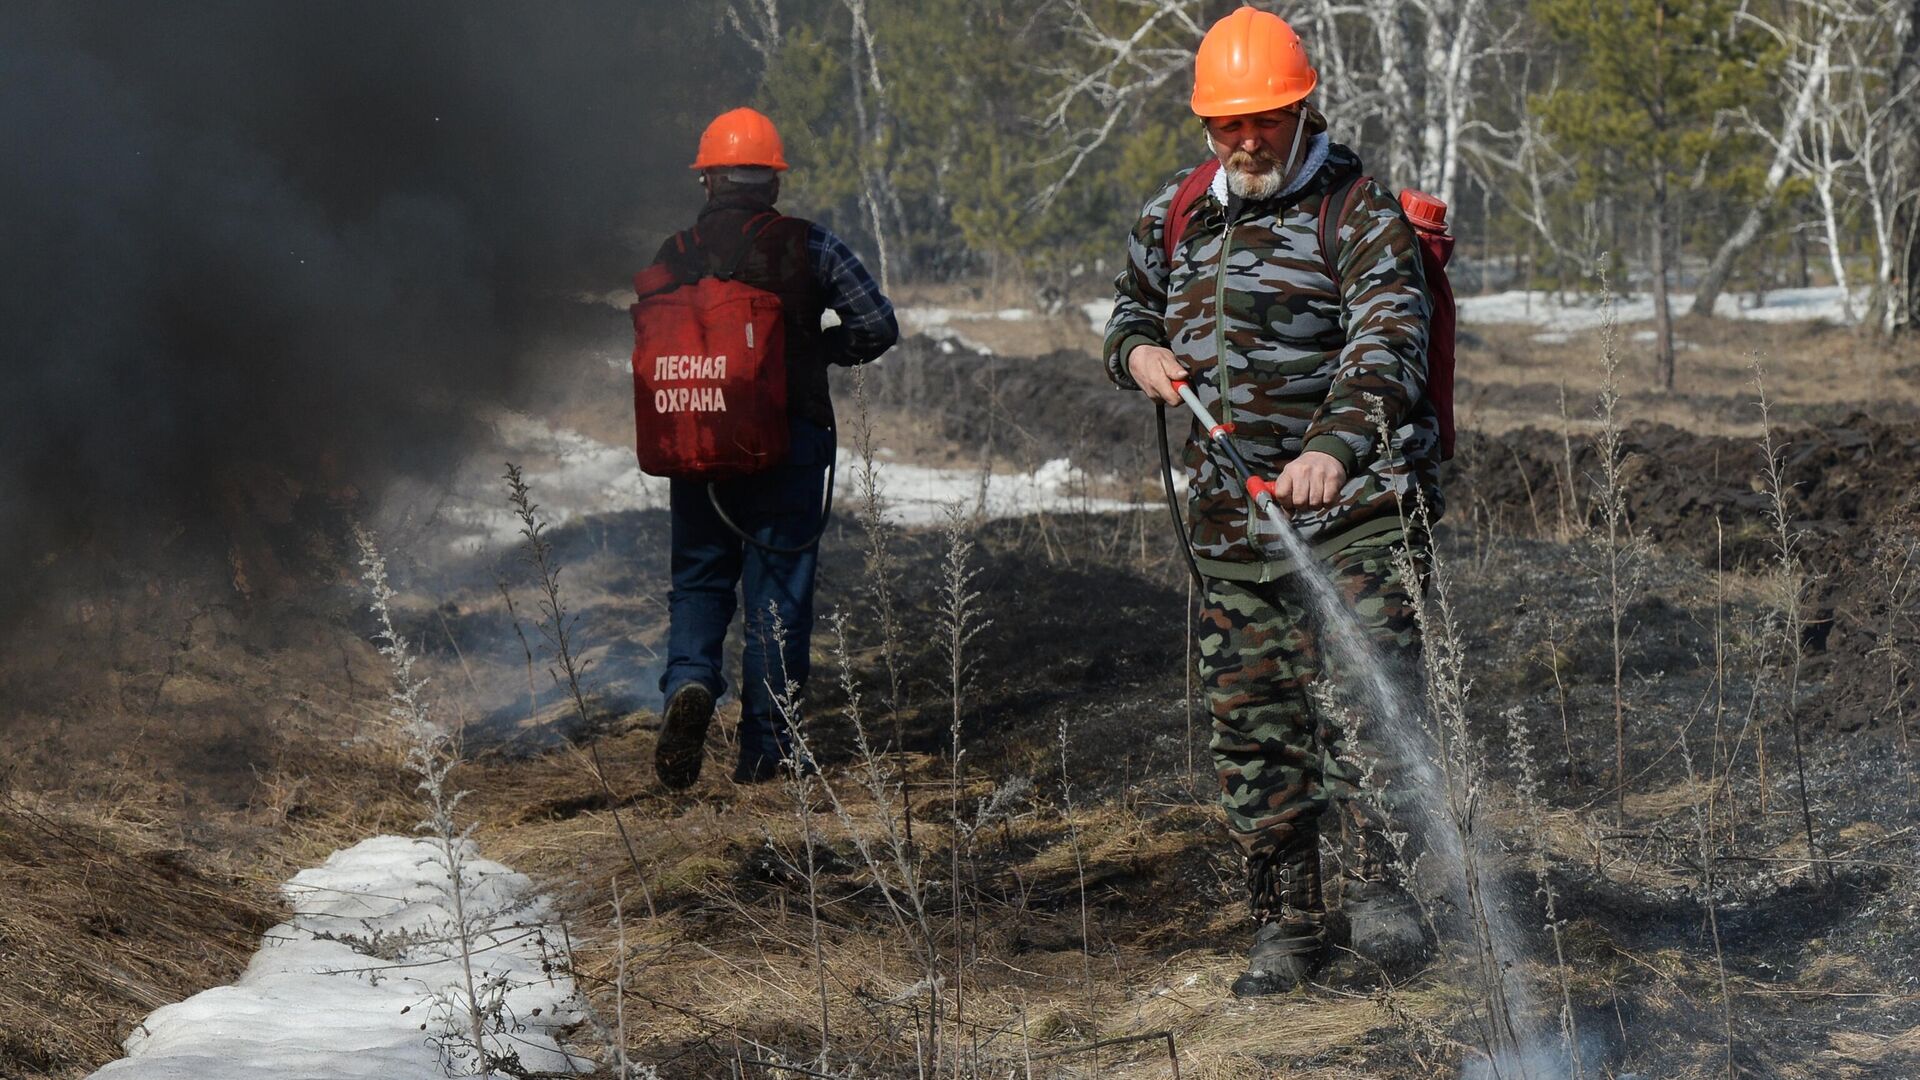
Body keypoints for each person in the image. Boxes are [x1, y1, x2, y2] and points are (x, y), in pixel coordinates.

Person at [1103, 7, 1441, 995]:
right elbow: (1128, 309)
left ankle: (1390, 900)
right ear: (1207, 124)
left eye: (1267, 121)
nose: (1248, 141)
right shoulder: (1176, 213)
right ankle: (1285, 922)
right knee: (1255, 729)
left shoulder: (1358, 211)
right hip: (1227, 525)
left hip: (1356, 513)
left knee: (1368, 712)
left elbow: (1390, 346)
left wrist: (1335, 451)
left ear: (1304, 109)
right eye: (1229, 124)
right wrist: (1138, 353)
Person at [652, 107, 898, 789]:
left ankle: (690, 683)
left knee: (699, 581)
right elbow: (878, 325)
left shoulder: (674, 252)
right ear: (774, 184)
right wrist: (818, 351)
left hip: (696, 444)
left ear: (707, 180)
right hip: (789, 444)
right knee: (777, 601)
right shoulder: (810, 245)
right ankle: (768, 755)